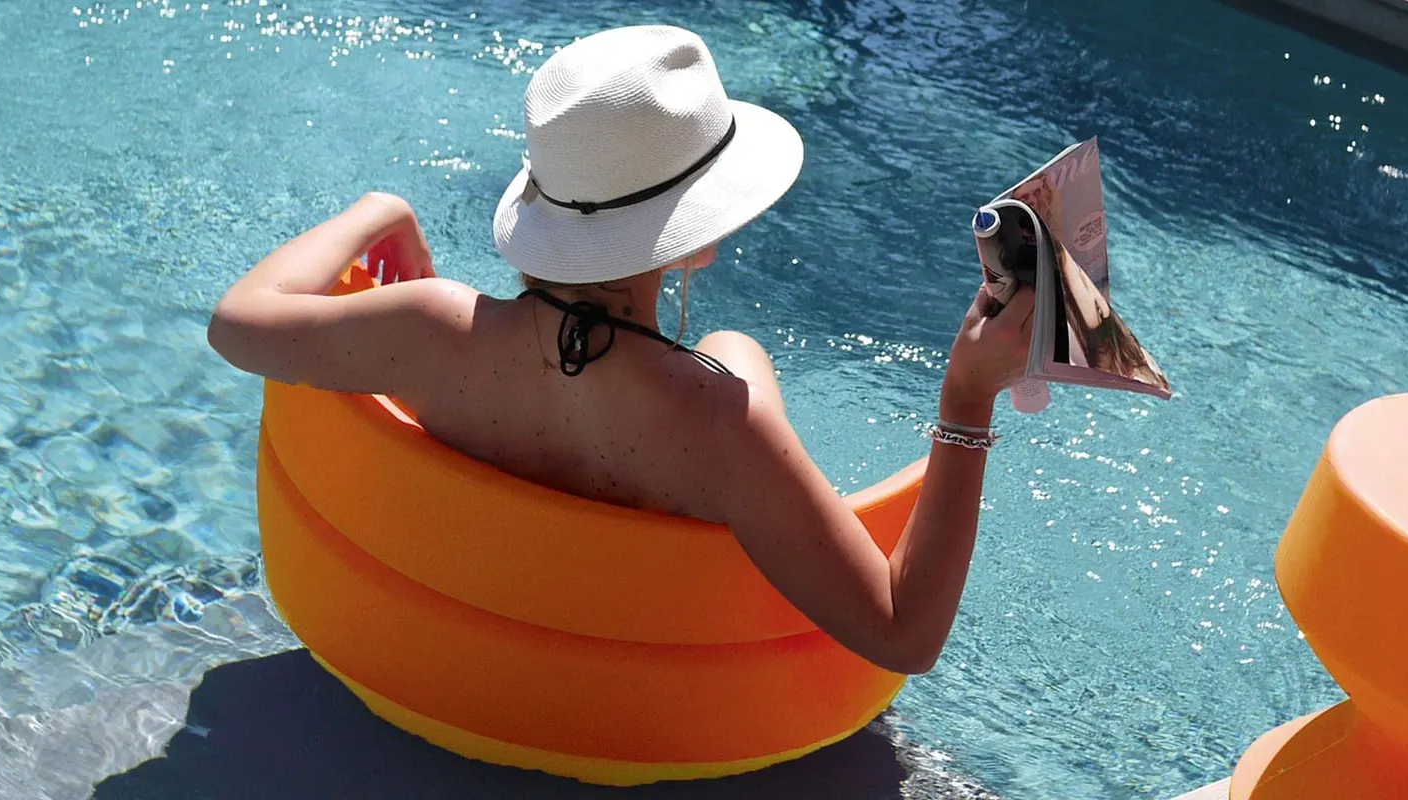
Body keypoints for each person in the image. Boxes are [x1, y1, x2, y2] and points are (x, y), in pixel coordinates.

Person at [207, 25, 1031, 675]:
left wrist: (379, 210)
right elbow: (904, 636)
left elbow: (236, 322)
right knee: (735, 348)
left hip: (432, 666)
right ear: (698, 240)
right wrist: (966, 401)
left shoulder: (428, 331)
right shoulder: (716, 418)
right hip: (648, 711)